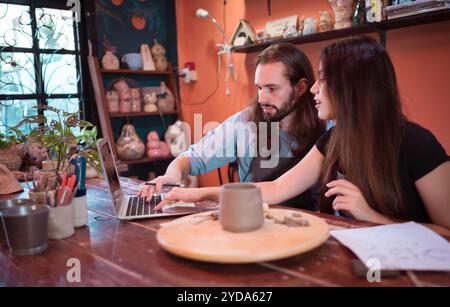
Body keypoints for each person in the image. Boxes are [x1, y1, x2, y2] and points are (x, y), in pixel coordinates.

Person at [156, 36, 450, 233]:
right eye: (260, 88)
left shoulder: (417, 144)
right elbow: (275, 188)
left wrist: (372, 216)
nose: (314, 91)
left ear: (350, 89)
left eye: (323, 81)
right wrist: (195, 193)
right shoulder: (334, 139)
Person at [139, 43, 325, 210]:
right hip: (251, 225)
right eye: (259, 88)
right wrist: (173, 173)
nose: (262, 98)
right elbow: (193, 158)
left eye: (272, 89)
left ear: (300, 88)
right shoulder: (245, 122)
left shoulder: (326, 126)